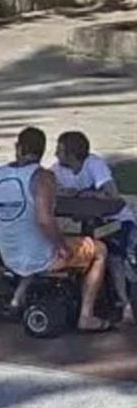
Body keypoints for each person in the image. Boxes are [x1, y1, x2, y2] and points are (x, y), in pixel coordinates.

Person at [0, 127, 111, 332]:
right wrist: (61, 245)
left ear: (17, 148)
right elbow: (45, 220)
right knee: (99, 249)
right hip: (41, 256)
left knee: (37, 240)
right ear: (42, 150)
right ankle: (86, 315)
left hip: (9, 253)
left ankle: (18, 297)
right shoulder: (43, 177)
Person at [51, 131, 136, 324]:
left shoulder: (94, 164)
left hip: (116, 219)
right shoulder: (57, 169)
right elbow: (50, 189)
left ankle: (125, 303)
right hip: (83, 222)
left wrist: (85, 193)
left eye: (60, 150)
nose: (56, 154)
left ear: (72, 154)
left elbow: (112, 194)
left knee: (114, 253)